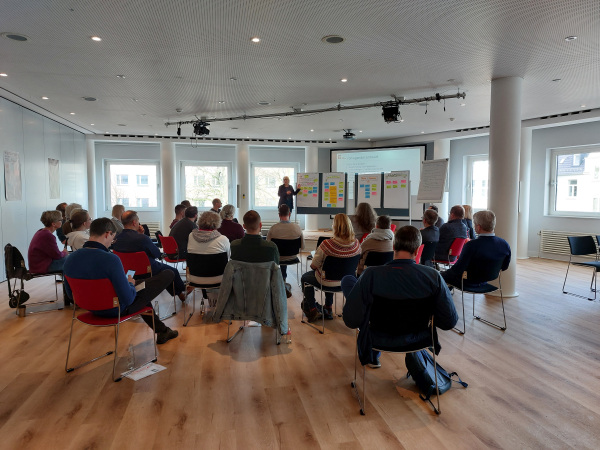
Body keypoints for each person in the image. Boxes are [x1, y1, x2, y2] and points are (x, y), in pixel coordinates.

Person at [341, 225, 458, 368]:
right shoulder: (433, 277)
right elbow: (449, 322)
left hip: (377, 337)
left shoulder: (371, 275)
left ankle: (373, 355)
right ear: (417, 250)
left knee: (349, 281)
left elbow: (351, 320)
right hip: (418, 338)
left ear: (393, 245)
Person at [63, 218, 178, 344]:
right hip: (115, 309)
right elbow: (128, 299)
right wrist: (130, 283)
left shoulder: (69, 259)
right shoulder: (111, 259)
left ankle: (162, 331)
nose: (113, 241)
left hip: (89, 307)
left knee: (141, 288)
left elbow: (70, 295)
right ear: (108, 233)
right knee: (168, 274)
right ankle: (163, 331)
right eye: (113, 236)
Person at [112, 210, 191, 302]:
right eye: (138, 220)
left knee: (166, 269)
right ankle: (181, 291)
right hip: (147, 269)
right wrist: (143, 236)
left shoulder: (117, 238)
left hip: (129, 272)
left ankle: (180, 293)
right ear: (134, 222)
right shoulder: (142, 238)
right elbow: (156, 254)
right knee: (171, 271)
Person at [301, 213, 360, 321]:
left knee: (305, 278)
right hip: (346, 282)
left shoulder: (327, 244)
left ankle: (313, 309)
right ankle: (328, 307)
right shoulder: (356, 244)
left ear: (335, 226)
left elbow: (314, 265)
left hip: (327, 281)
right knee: (330, 272)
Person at [441, 210, 511, 289]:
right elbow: (504, 267)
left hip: (467, 282)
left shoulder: (471, 245)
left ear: (478, 227)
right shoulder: (504, 244)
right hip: (487, 280)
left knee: (437, 277)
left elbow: (457, 270)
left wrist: (440, 274)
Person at [187, 211, 230, 286]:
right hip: (219, 278)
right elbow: (228, 259)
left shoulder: (191, 236)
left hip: (194, 278)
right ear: (217, 223)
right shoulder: (223, 239)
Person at [267, 204, 304, 282]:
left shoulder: (273, 228)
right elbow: (302, 246)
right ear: (289, 214)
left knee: (279, 254)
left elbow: (268, 246)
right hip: (292, 257)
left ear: (279, 215)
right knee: (284, 253)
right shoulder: (297, 228)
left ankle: (278, 279)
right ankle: (283, 277)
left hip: (277, 258)